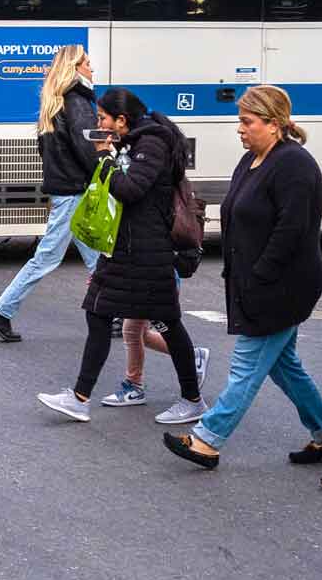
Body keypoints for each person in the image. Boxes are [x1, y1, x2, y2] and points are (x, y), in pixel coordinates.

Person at [161, 85, 322, 469]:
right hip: (255, 281)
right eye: (240, 121)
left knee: (247, 366)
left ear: (274, 123)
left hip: (281, 285)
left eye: (248, 122)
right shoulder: (252, 161)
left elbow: (291, 230)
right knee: (283, 364)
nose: (240, 129)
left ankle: (207, 438)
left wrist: (259, 275)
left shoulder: (295, 164)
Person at [35, 88, 208, 425]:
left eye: (103, 118)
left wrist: (103, 156)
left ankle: (192, 399)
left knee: (168, 324)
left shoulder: (152, 143)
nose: (99, 123)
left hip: (148, 251)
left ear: (121, 120)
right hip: (124, 248)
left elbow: (129, 190)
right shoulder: (134, 143)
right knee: (97, 313)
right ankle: (79, 397)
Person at [0, 45, 101, 342]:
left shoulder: (54, 102)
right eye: (87, 63)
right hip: (75, 191)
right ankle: (1, 311)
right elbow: (87, 148)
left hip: (67, 190)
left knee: (98, 257)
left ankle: (111, 314)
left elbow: (45, 151)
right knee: (48, 258)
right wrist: (103, 172)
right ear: (74, 68)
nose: (92, 68)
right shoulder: (78, 101)